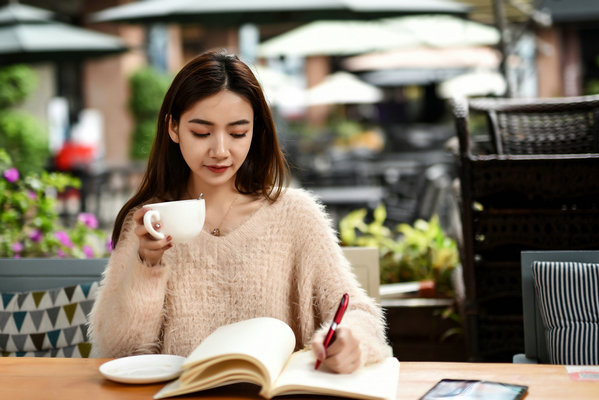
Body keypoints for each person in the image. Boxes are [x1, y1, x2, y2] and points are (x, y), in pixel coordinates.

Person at [88, 50, 390, 374]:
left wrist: (350, 340)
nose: (219, 150)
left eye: (237, 133)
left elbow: (360, 313)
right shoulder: (150, 220)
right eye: (201, 132)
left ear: (255, 131)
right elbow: (118, 351)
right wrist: (147, 265)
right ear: (173, 128)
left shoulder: (296, 216)